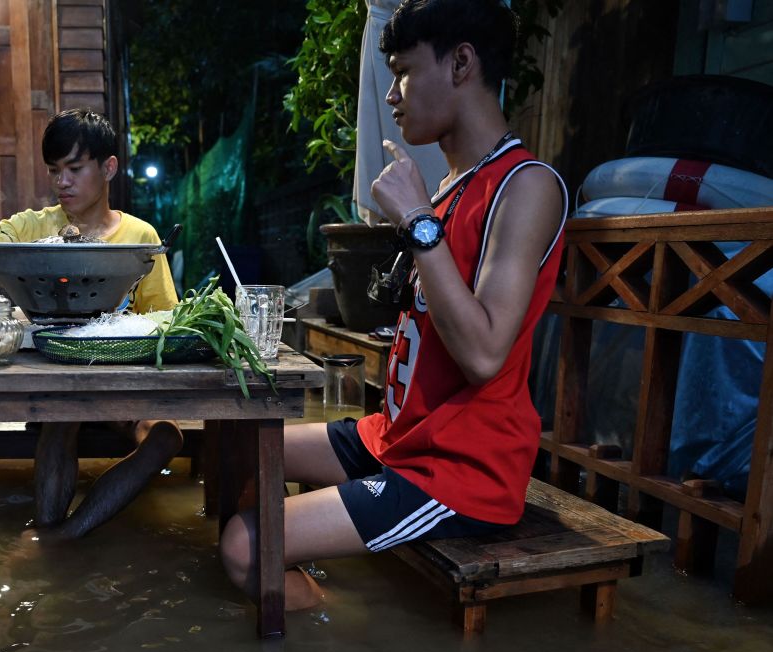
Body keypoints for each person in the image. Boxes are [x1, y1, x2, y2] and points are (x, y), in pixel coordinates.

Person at [220, 0, 569, 610]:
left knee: (244, 547)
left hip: (461, 470)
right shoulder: (449, 187)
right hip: (401, 438)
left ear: (461, 63)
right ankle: (312, 583)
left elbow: (486, 355)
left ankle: (349, 634)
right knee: (235, 440)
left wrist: (415, 219)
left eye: (405, 72)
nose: (394, 94)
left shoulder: (527, 185)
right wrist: (423, 214)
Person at [0, 109, 182, 540]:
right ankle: (49, 534)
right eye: (54, 171)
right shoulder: (33, 225)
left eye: (75, 169)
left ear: (108, 167)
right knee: (63, 414)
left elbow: (163, 320)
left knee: (167, 437)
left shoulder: (141, 237)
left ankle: (67, 534)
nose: (62, 182)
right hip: (56, 376)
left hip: (119, 382)